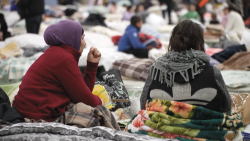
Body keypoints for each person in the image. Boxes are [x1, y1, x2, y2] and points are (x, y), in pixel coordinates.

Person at [13, 20, 103, 122]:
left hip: (27, 110)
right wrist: (102, 102)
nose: (84, 43)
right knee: (99, 114)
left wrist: (91, 65)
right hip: (38, 114)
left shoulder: (56, 53)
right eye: (82, 38)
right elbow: (86, 100)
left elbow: (81, 93)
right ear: (71, 38)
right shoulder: (64, 59)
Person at [140, 20, 231, 113]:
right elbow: (227, 107)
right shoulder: (213, 73)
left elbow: (143, 105)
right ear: (199, 46)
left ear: (172, 44)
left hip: (162, 126)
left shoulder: (156, 71)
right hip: (205, 126)